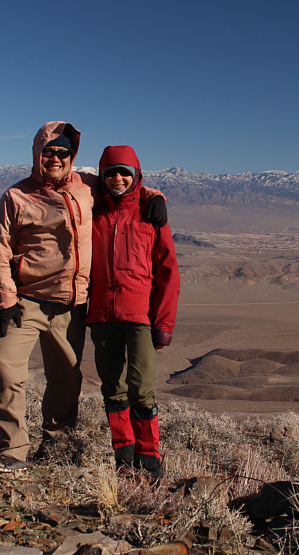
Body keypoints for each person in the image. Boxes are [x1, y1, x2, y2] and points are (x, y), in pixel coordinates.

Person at [0, 122, 167, 474]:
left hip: (71, 304)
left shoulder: (85, 185)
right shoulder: (16, 196)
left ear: (72, 156)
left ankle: (56, 446)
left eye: (63, 153)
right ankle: (12, 450)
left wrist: (154, 196)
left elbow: (124, 184)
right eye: (49, 152)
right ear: (37, 154)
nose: (55, 159)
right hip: (25, 300)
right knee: (5, 370)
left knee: (66, 381)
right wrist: (5, 301)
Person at [86, 145, 180, 480]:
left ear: (136, 176)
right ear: (101, 176)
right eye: (111, 172)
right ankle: (124, 461)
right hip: (101, 315)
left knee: (142, 389)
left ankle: (149, 461)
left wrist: (164, 321)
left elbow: (168, 269)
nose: (118, 178)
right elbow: (69, 179)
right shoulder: (92, 209)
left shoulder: (150, 212)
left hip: (140, 316)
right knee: (113, 389)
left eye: (125, 172)